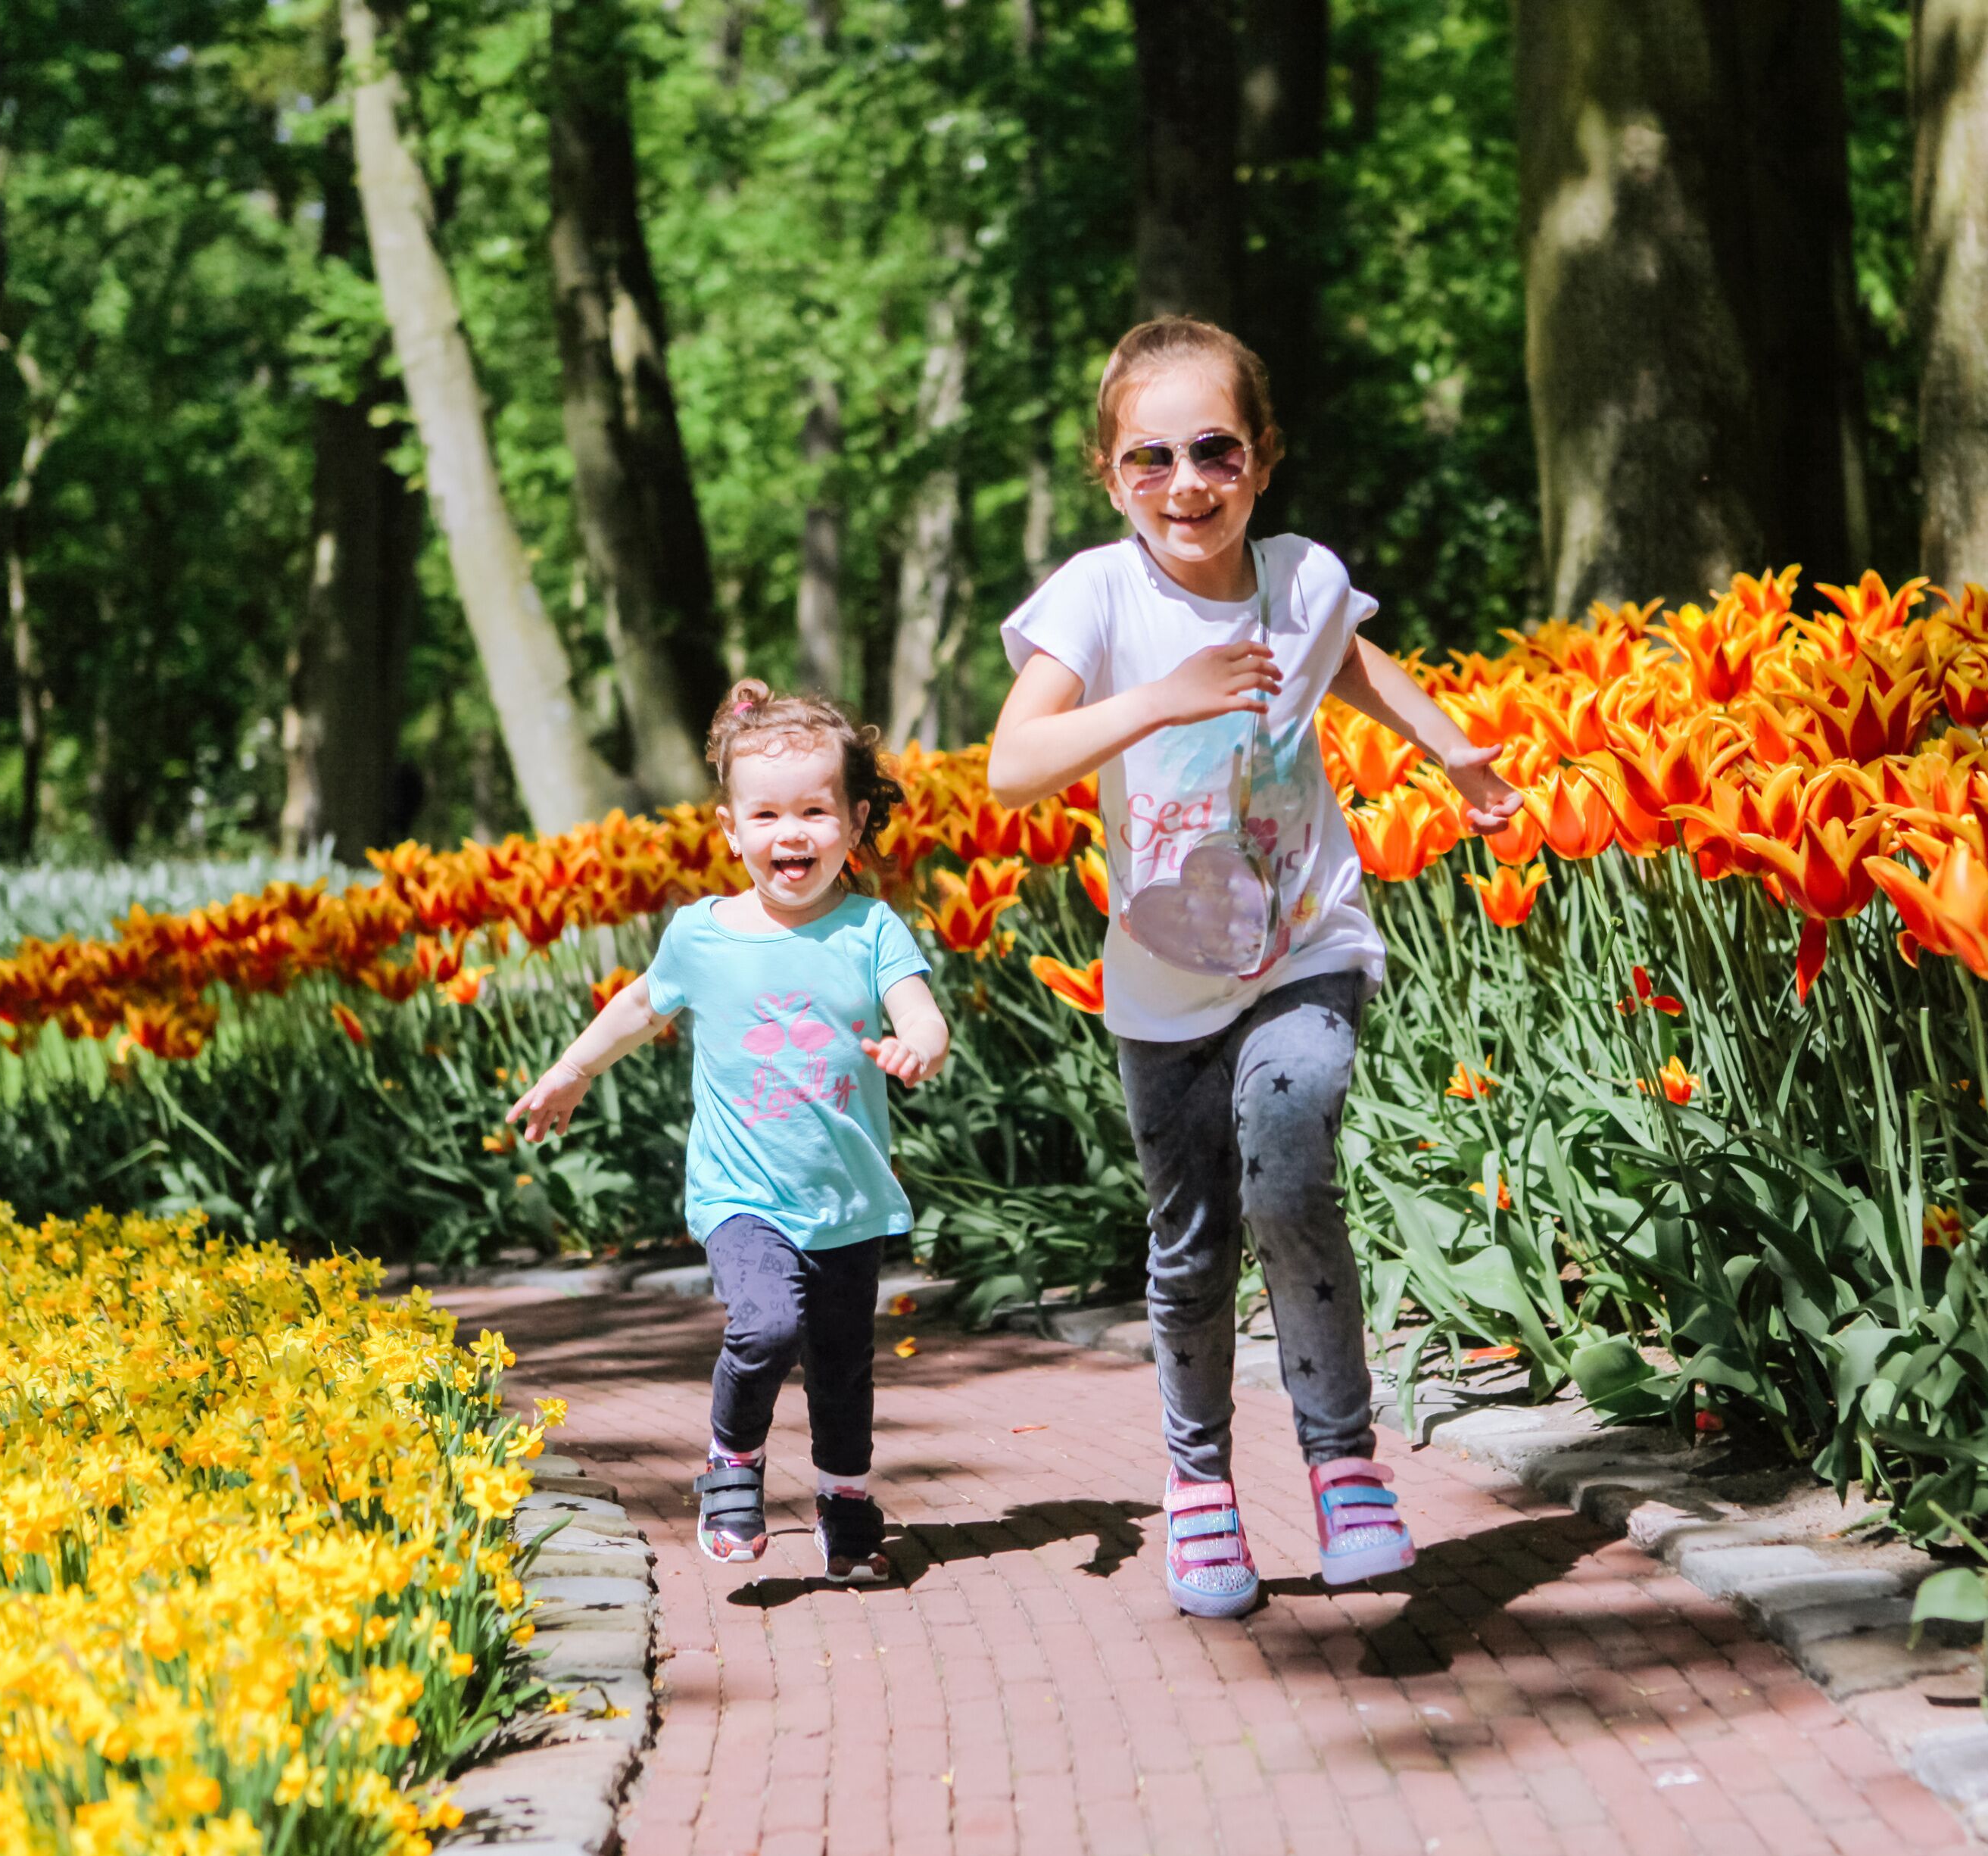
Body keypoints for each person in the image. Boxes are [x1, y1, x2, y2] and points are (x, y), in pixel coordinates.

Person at [983, 317, 1519, 1619]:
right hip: (1164, 985)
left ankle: (1345, 1471)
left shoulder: (1301, 576)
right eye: (1152, 458)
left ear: (1263, 457)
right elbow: (1012, 766)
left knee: (1290, 1157)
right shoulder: (1098, 599)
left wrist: (1452, 753)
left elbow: (1346, 656)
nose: (1187, 484)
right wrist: (1165, 696)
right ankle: (1203, 1487)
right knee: (1190, 1243)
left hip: (1304, 944)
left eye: (1216, 450)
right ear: (1112, 476)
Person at [509, 683, 950, 1585]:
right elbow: (639, 1006)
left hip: (849, 1199)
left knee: (842, 1362)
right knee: (766, 1321)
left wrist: (916, 1049)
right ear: (730, 828)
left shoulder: (871, 929)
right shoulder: (701, 934)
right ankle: (735, 1464)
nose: (792, 833)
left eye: (816, 811)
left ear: (857, 820)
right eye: (768, 813)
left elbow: (925, 1017)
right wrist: (572, 1071)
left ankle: (845, 1495)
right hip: (741, 1194)